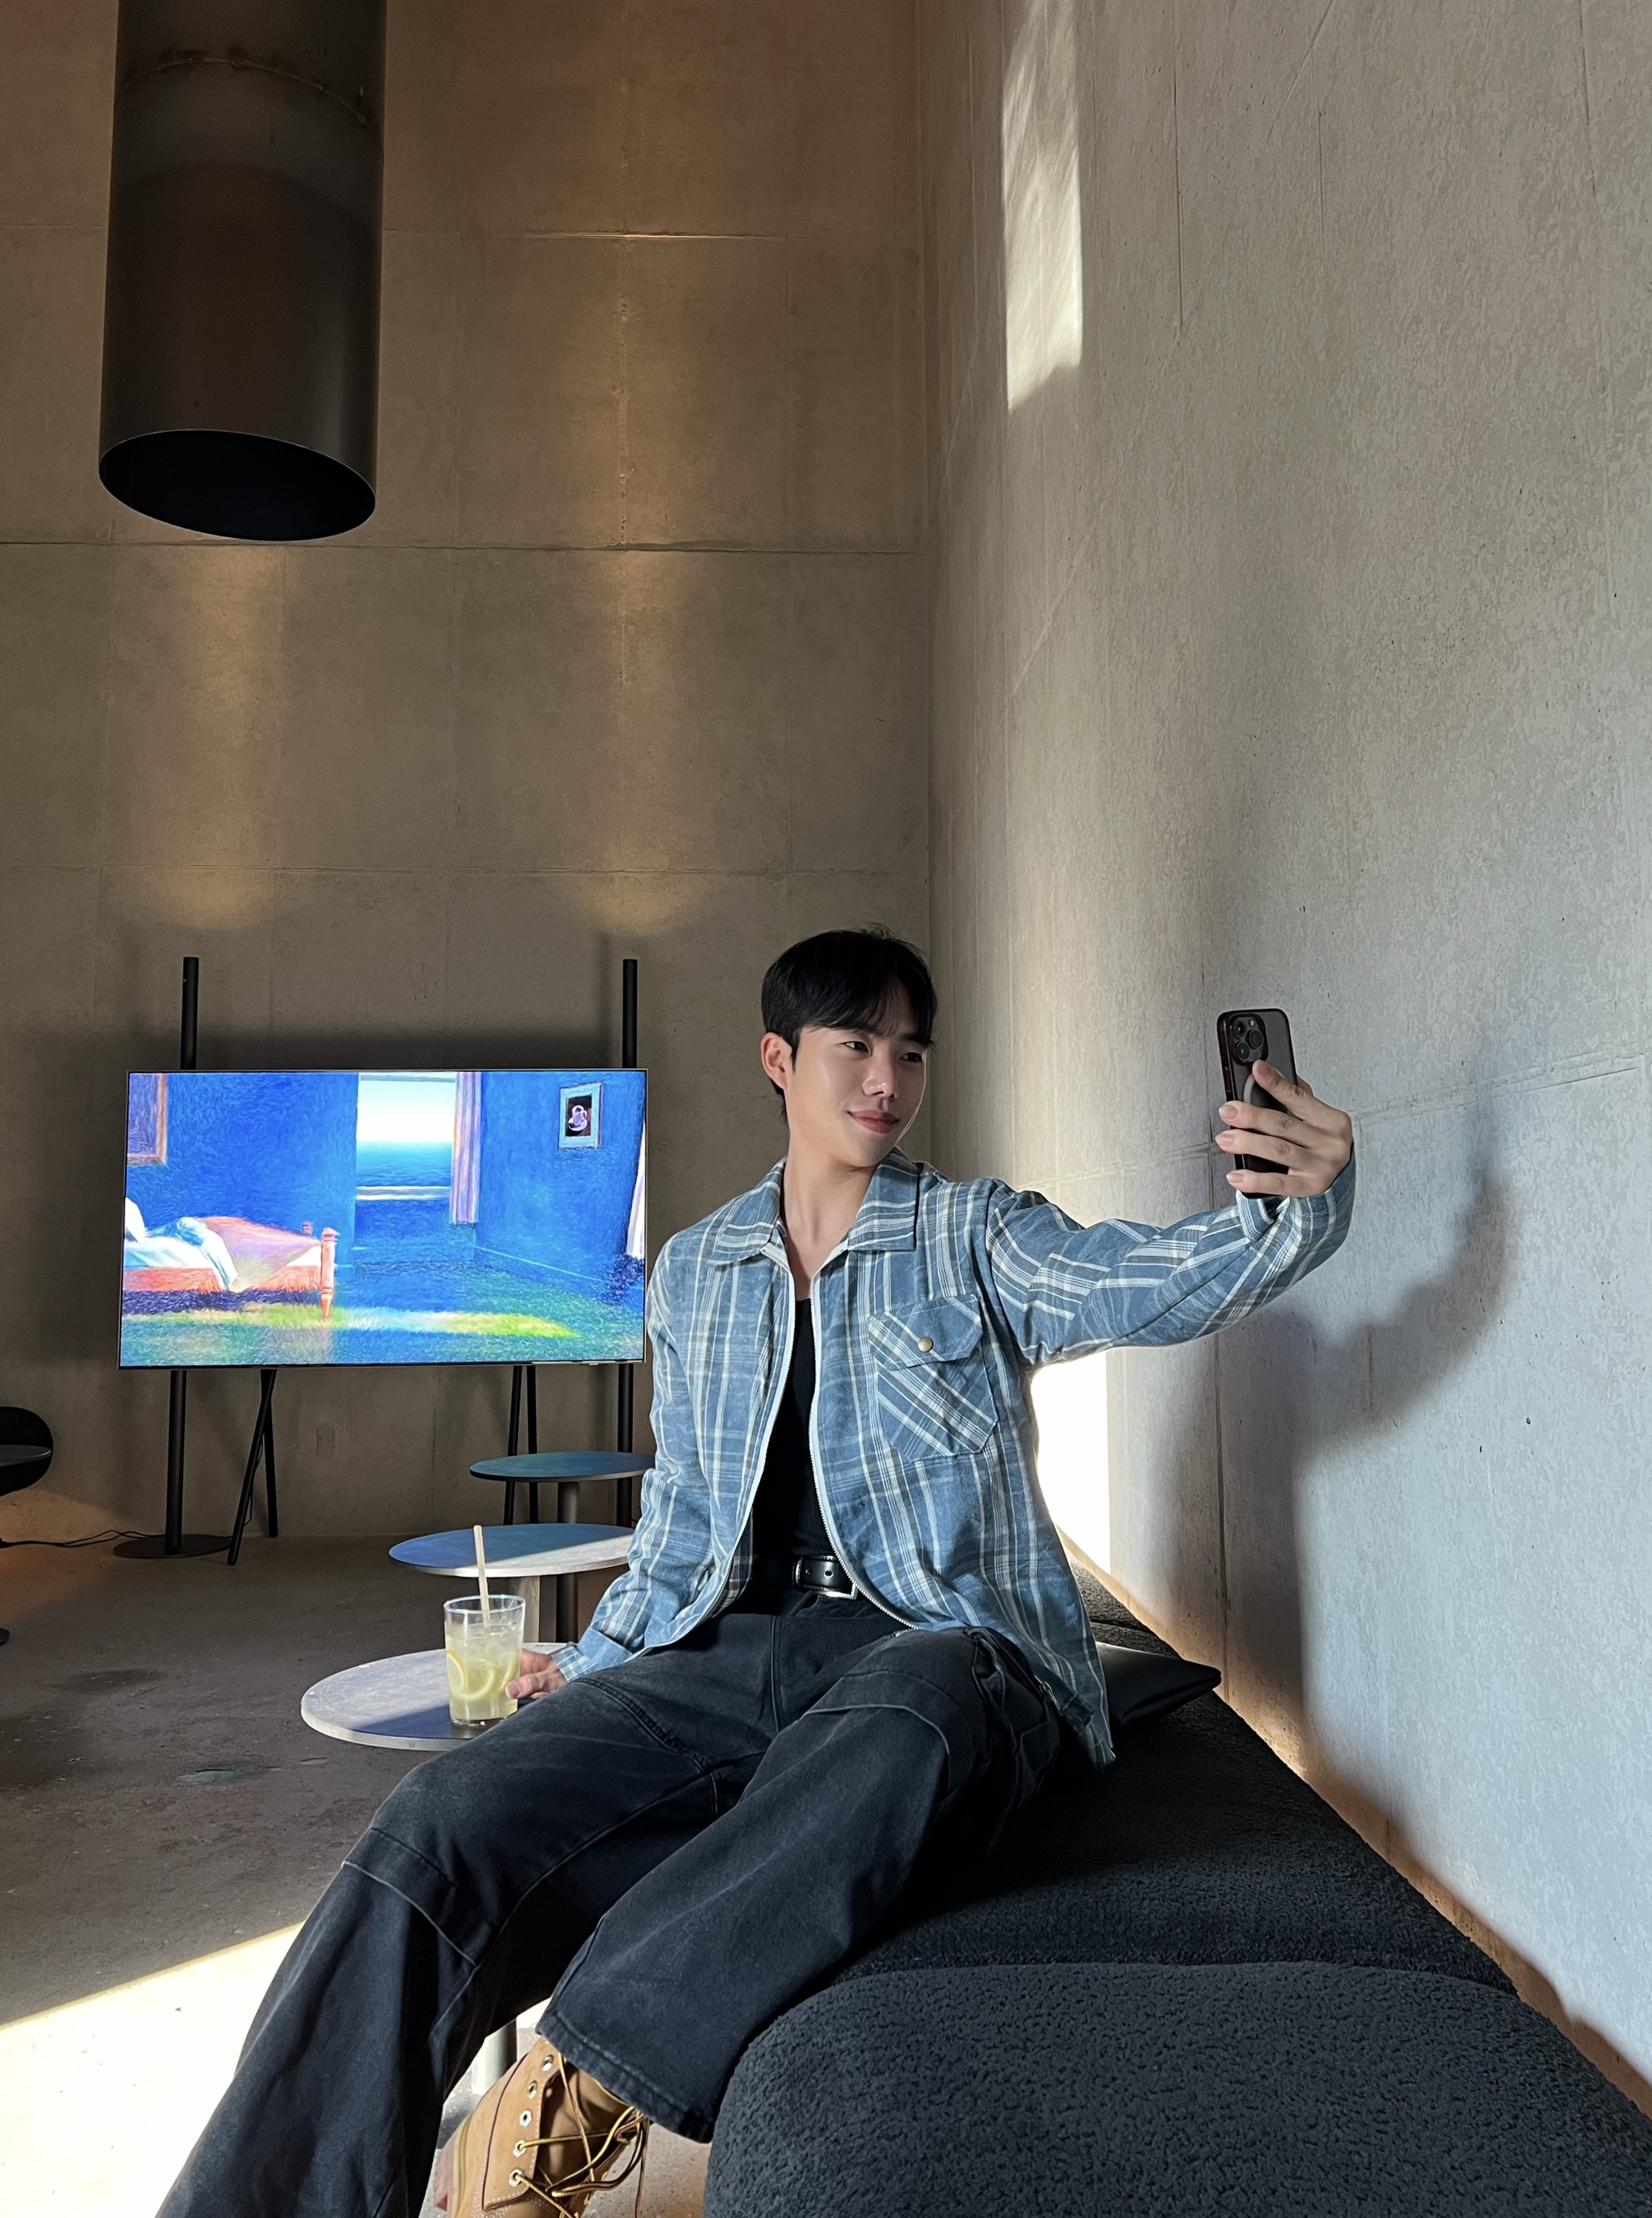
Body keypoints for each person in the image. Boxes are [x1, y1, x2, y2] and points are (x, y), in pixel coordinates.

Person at [158, 929, 1355, 2218]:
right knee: (443, 1819)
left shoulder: (974, 1234)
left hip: (931, 1653)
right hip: (727, 1656)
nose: (887, 1079)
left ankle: (568, 2091)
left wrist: (1290, 1211)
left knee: (911, 1716)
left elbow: (1145, 1282)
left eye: (911, 1051)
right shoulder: (697, 1269)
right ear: (780, 1059)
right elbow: (682, 1520)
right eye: (857, 1045)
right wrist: (597, 1661)